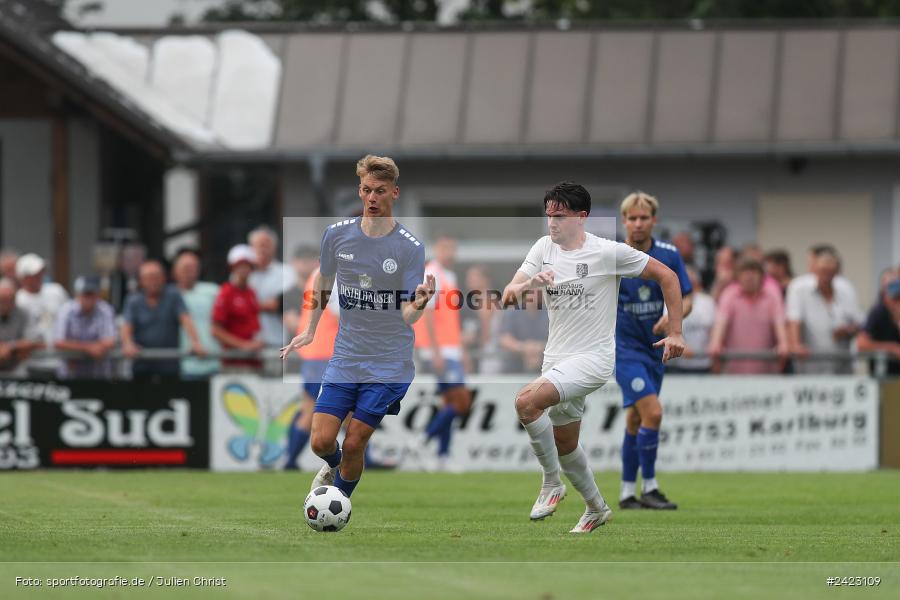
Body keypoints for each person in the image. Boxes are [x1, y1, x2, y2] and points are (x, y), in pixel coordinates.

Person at [502, 181, 685, 534]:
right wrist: (528, 284)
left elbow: (668, 276)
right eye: (548, 216)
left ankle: (551, 483)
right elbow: (509, 294)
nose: (551, 223)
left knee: (525, 402)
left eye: (559, 216)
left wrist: (675, 331)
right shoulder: (543, 247)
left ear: (581, 217)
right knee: (566, 442)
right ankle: (597, 508)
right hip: (556, 358)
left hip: (594, 359)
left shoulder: (607, 252)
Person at [280, 155, 433, 500]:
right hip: (347, 356)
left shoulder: (409, 248)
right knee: (321, 441)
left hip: (389, 361)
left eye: (380, 190)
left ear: (394, 193)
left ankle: (340, 500)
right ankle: (332, 468)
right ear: (359, 191)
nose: (372, 197)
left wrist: (420, 302)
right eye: (366, 190)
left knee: (354, 442)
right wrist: (310, 329)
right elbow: (324, 278)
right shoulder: (336, 236)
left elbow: (408, 315)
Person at [616, 191, 693, 510]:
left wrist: (672, 318)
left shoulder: (669, 254)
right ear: (624, 222)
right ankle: (650, 486)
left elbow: (687, 298)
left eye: (643, 218)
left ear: (653, 221)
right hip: (623, 350)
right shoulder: (613, 255)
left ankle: (625, 493)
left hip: (656, 350)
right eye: (632, 218)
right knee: (654, 413)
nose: (637, 223)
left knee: (636, 419)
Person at [412, 235, 474, 471]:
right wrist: (434, 350)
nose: (450, 252)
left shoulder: (450, 276)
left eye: (453, 248)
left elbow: (451, 319)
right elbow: (426, 313)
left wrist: (462, 351)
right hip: (439, 351)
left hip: (452, 349)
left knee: (449, 402)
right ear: (436, 249)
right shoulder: (432, 273)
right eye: (446, 247)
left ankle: (443, 455)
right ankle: (422, 439)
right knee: (462, 401)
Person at [284, 261, 339, 470]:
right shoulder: (331, 274)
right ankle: (289, 460)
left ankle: (290, 460)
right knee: (314, 411)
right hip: (326, 353)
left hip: (316, 353)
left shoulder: (319, 272)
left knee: (309, 407)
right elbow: (340, 312)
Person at [121, 260, 205, 379]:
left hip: (169, 366)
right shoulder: (133, 300)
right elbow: (126, 326)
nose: (153, 281)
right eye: (148, 277)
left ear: (163, 278)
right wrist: (128, 344)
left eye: (156, 277)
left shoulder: (173, 295)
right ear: (141, 281)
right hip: (141, 366)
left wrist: (196, 342)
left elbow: (186, 319)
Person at [786, 249, 863, 374]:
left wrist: (848, 330)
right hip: (811, 365)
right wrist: (796, 345)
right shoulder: (799, 288)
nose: (827, 275)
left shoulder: (846, 289)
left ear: (837, 272)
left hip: (841, 365)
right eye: (823, 271)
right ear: (814, 270)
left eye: (830, 271)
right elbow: (793, 319)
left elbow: (858, 322)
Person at [708, 257, 789, 374]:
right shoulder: (729, 294)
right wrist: (715, 343)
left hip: (766, 372)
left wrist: (783, 343)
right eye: (745, 272)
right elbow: (721, 321)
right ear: (738, 276)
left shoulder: (772, 296)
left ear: (761, 276)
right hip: (734, 372)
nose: (749, 276)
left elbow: (779, 322)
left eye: (754, 272)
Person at [15, 253, 69, 378]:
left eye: (41, 272)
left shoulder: (56, 291)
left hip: (59, 361)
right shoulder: (18, 299)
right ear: (23, 277)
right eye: (34, 274)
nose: (39, 276)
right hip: (28, 365)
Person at [211, 245, 263, 371]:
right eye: (239, 266)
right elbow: (215, 330)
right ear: (232, 268)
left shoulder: (251, 293)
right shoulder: (226, 292)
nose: (244, 270)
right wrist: (244, 345)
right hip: (234, 362)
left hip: (253, 361)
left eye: (247, 266)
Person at [53, 275, 116, 379]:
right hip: (71, 375)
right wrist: (89, 348)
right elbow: (59, 342)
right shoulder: (66, 310)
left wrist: (75, 347)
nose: (89, 298)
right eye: (85, 294)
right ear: (78, 294)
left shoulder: (105, 309)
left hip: (99, 374)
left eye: (92, 294)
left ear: (97, 294)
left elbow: (110, 340)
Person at [172, 248, 221, 378]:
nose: (189, 271)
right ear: (175, 271)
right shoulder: (169, 295)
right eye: (185, 268)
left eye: (192, 267)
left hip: (214, 362)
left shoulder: (213, 291)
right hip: (181, 365)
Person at [248, 225, 297, 350]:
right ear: (251, 247)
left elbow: (280, 304)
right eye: (259, 245)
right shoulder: (244, 273)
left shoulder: (286, 272)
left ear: (274, 247)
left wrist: (245, 304)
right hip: (248, 344)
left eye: (266, 245)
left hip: (278, 342)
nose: (262, 249)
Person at [667, 265, 715, 374]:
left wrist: (712, 345)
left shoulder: (708, 301)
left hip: (704, 363)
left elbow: (714, 328)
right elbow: (665, 328)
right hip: (677, 366)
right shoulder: (668, 301)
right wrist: (681, 347)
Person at [498, 290, 549, 373]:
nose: (535, 295)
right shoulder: (512, 312)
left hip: (545, 363)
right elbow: (504, 340)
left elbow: (560, 338)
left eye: (539, 292)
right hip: (515, 365)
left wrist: (540, 347)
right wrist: (524, 348)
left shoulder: (549, 312)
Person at [857, 277, 900, 376]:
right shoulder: (878, 313)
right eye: (895, 299)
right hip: (883, 377)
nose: (898, 303)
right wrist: (892, 348)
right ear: (886, 298)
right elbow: (861, 344)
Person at [0, 277, 37, 376]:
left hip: (18, 367)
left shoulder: (24, 313)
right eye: (3, 299)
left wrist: (10, 347)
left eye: (10, 299)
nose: (6, 303)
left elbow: (31, 341)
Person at [282, 245, 320, 337]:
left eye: (311, 259)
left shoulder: (327, 292)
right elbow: (293, 325)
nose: (307, 264)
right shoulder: (288, 295)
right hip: (298, 347)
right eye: (303, 259)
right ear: (294, 262)